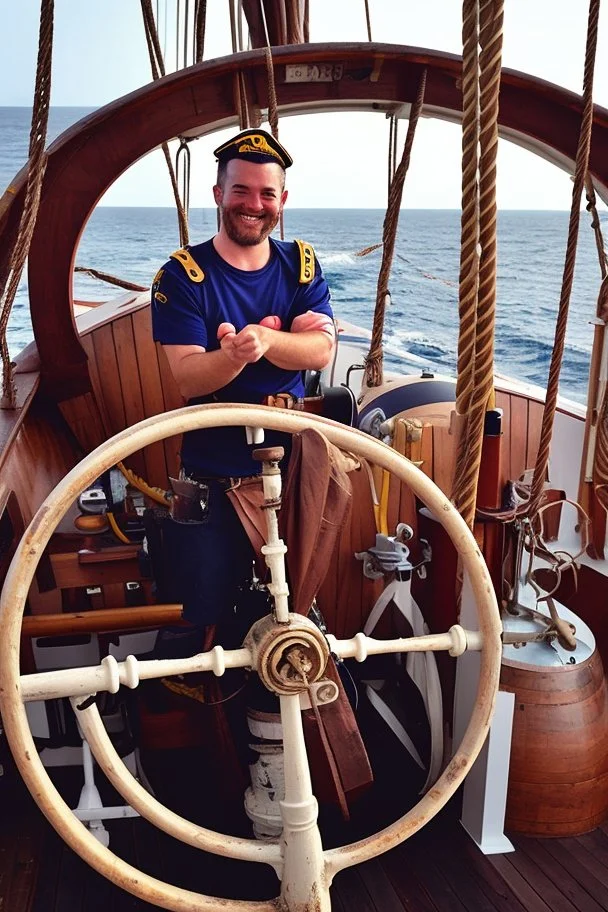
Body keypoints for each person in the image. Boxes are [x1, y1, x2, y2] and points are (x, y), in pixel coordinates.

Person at [149, 128, 335, 640]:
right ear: (217, 195)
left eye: (266, 194)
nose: (254, 204)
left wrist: (264, 342)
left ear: (282, 201)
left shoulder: (300, 265)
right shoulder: (181, 277)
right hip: (211, 477)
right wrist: (235, 357)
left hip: (290, 469)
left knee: (291, 604)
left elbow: (321, 348)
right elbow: (188, 376)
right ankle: (195, 699)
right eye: (241, 191)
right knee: (200, 613)